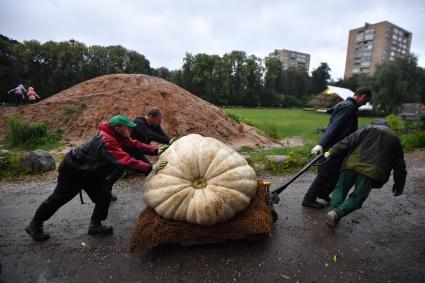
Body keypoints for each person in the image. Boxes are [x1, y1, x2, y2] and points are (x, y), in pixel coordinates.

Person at [25, 115, 168, 241]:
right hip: (73, 171)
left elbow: (133, 143)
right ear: (118, 128)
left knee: (104, 196)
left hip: (90, 173)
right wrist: (150, 167)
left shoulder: (117, 134)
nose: (130, 131)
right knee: (58, 199)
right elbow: (124, 160)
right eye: (128, 128)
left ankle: (95, 225)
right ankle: (34, 225)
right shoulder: (107, 140)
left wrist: (155, 150)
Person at [325, 119, 407, 228]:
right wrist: (399, 184)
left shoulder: (367, 128)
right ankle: (336, 214)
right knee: (357, 198)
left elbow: (349, 140)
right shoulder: (394, 138)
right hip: (371, 171)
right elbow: (399, 165)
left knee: (340, 190)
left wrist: (332, 151)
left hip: (352, 165)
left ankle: (333, 214)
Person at [302, 88, 372, 209]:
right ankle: (309, 199)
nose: (365, 103)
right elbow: (335, 126)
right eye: (366, 100)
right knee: (324, 174)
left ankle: (323, 193)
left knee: (335, 174)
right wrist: (321, 144)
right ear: (362, 96)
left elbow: (334, 120)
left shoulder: (345, 104)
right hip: (334, 147)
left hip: (338, 147)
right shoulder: (349, 107)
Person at [107, 107, 179, 201]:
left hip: (138, 148)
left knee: (120, 170)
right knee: (149, 169)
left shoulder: (155, 125)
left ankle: (105, 190)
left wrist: (170, 141)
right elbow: (150, 135)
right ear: (150, 117)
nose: (160, 122)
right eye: (158, 119)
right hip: (130, 149)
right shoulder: (139, 123)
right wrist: (167, 142)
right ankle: (155, 194)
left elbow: (161, 134)